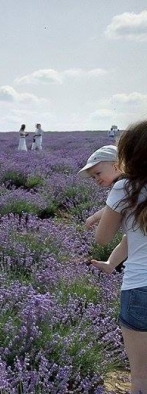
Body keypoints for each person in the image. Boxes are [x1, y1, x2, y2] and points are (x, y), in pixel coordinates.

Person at [91, 120, 147, 394]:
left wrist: (107, 211)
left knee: (140, 377)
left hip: (140, 288)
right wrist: (112, 263)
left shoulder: (125, 189)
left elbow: (103, 238)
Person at [81, 145, 128, 273]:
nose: (96, 179)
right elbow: (114, 207)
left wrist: (95, 217)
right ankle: (111, 264)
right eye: (93, 177)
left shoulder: (122, 187)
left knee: (128, 239)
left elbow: (102, 239)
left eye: (98, 173)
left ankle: (111, 264)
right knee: (128, 239)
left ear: (116, 166)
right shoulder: (133, 183)